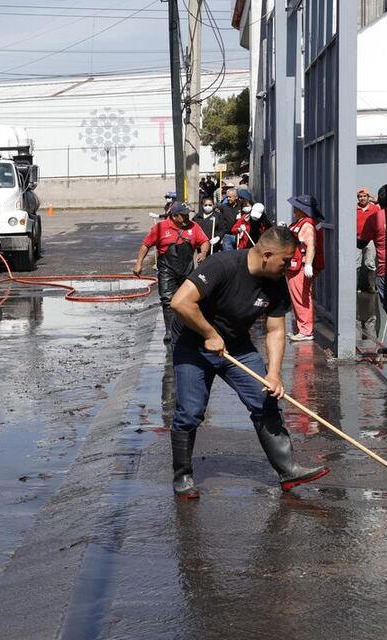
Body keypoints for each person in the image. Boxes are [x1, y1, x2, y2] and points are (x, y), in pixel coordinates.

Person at [168, 226, 330, 498]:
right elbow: (180, 302)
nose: (289, 265)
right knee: (191, 411)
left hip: (236, 345)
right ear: (267, 254)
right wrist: (209, 333)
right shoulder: (223, 265)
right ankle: (182, 476)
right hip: (193, 342)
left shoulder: (276, 282)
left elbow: (276, 330)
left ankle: (288, 470)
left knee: (265, 398)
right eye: (286, 260)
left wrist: (275, 374)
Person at [133, 202, 211, 344]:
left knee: (189, 299)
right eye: (184, 215)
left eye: (188, 214)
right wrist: (139, 263)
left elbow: (205, 241)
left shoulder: (194, 227)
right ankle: (169, 330)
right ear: (175, 216)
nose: (188, 217)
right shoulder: (161, 227)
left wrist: (203, 252)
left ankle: (189, 327)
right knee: (167, 299)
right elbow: (146, 244)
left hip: (187, 269)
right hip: (167, 270)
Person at [285, 194, 325, 342]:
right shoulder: (303, 222)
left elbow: (311, 246)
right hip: (297, 266)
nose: (294, 209)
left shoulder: (306, 225)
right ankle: (303, 328)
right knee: (299, 298)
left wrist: (308, 264)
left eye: (296, 207)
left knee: (302, 298)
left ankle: (306, 331)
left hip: (300, 267)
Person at [356, 187, 387, 317]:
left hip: (383, 268)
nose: (362, 198)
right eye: (360, 196)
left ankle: (371, 287)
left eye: (365, 196)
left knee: (370, 263)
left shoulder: (376, 214)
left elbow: (361, 244)